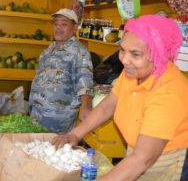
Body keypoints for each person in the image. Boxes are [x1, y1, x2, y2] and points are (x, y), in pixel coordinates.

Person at [52, 15, 188, 180]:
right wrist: (75, 134)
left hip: (164, 161)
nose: (124, 60)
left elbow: (142, 159)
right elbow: (109, 104)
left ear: (159, 54)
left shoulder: (169, 93)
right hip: (137, 152)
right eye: (122, 50)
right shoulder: (134, 72)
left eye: (135, 54)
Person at [29, 8, 94, 134]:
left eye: (64, 24)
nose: (58, 27)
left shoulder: (79, 52)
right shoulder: (49, 49)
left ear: (74, 28)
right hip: (37, 116)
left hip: (58, 122)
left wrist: (86, 106)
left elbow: (85, 81)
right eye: (56, 23)